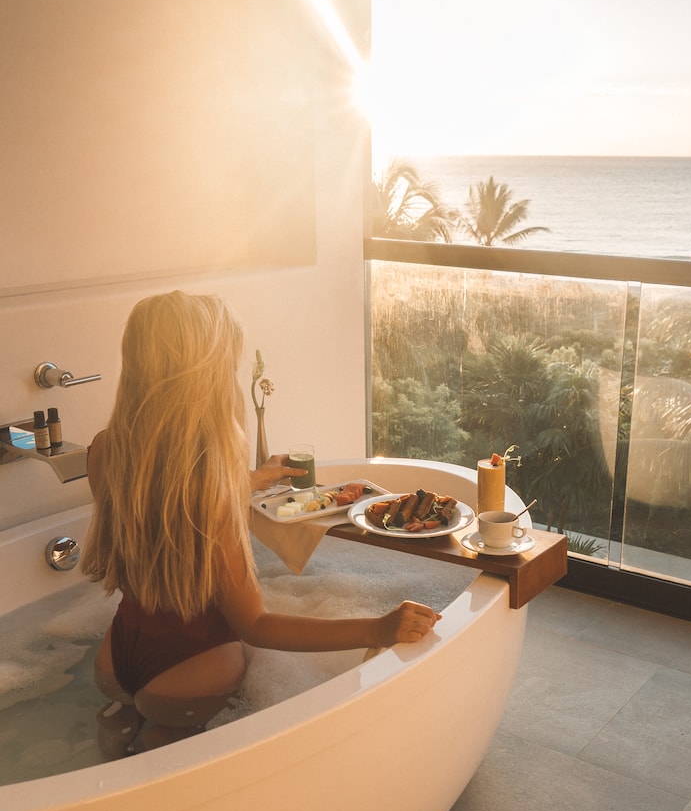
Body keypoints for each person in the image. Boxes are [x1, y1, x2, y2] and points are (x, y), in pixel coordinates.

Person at [82, 290, 440, 757]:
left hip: (116, 657)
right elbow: (255, 625)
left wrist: (251, 479)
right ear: (204, 378)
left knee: (110, 761)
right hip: (190, 674)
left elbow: (165, 503)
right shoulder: (210, 490)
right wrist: (377, 629)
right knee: (166, 760)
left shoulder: (106, 450)